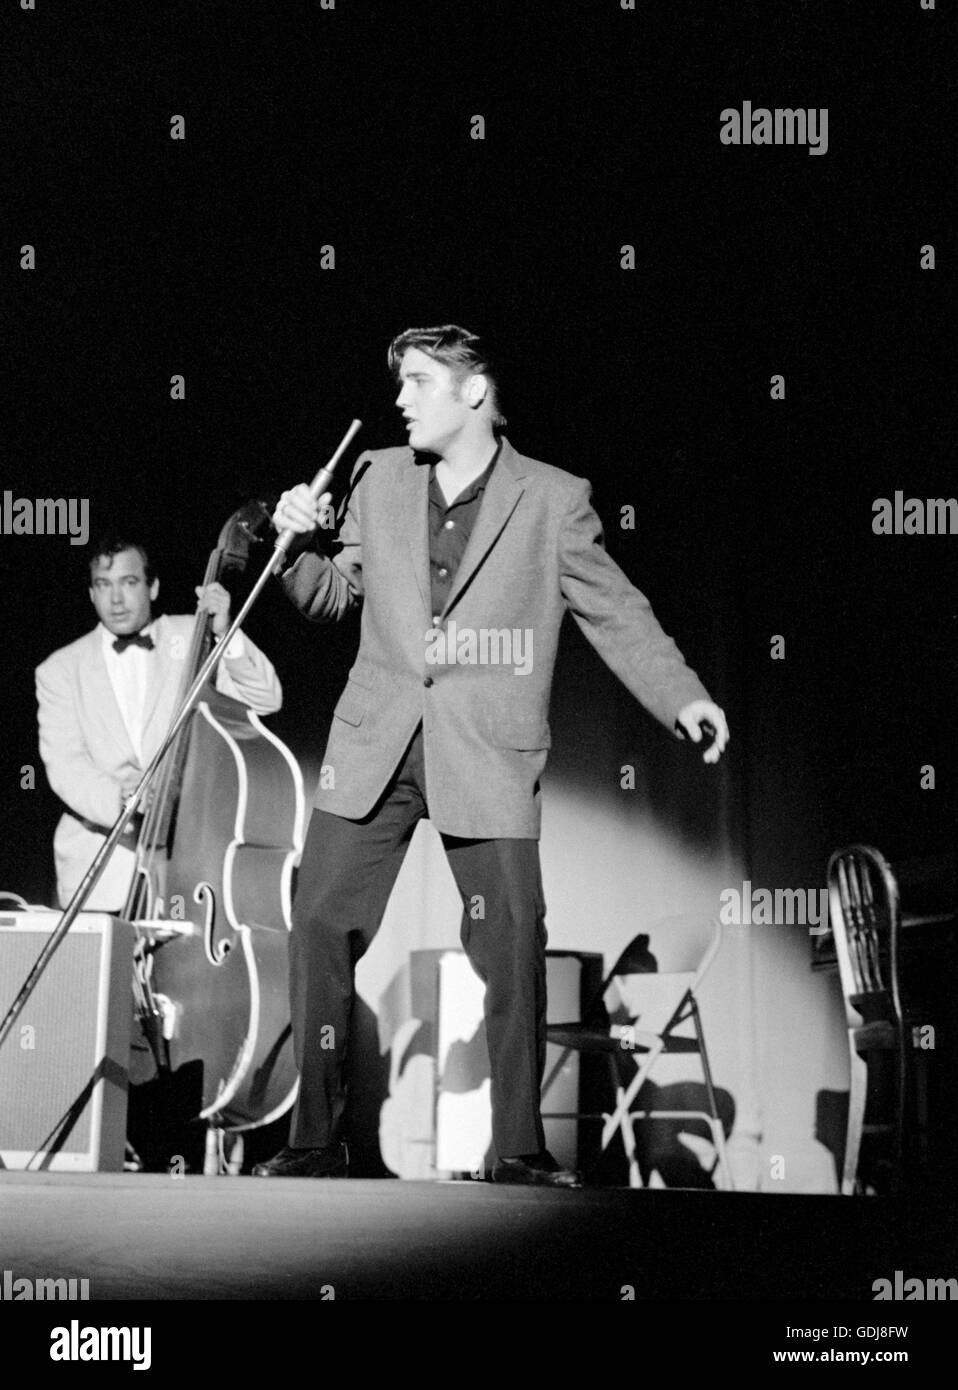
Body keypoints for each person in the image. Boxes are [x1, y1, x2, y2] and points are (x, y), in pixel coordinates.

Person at [255, 324, 729, 1186]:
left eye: (420, 381)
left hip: (485, 751)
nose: (400, 398)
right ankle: (317, 1141)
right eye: (400, 381)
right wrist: (293, 546)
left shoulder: (551, 499)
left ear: (473, 392)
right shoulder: (376, 479)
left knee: (511, 942)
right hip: (378, 741)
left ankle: (517, 1148)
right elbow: (333, 597)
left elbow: (615, 610)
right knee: (319, 920)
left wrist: (682, 696)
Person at [36, 538, 283, 911]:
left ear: (152, 586)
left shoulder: (193, 635)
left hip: (188, 863)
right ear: (91, 593)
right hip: (101, 871)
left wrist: (225, 633)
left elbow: (266, 699)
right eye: (104, 585)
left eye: (129, 582)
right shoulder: (58, 670)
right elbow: (65, 767)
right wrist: (124, 798)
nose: (116, 599)